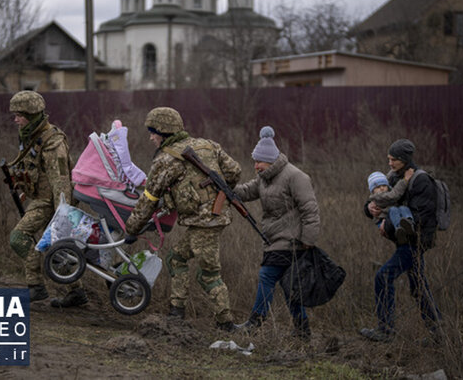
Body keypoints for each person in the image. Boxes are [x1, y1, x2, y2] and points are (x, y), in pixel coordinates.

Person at [125, 107, 241, 332]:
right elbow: (235, 172)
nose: (151, 137)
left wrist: (131, 228)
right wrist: (215, 193)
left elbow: (149, 199)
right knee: (175, 259)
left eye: (153, 132)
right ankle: (176, 312)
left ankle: (226, 324)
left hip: (204, 223)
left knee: (209, 274)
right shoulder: (209, 145)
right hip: (211, 218)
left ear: (165, 132)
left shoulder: (166, 159)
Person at [233, 126, 320, 339]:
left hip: (291, 240)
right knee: (289, 285)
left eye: (259, 162)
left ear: (270, 161)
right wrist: (226, 188)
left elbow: (310, 209)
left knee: (267, 275)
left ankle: (256, 321)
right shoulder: (265, 179)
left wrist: (308, 240)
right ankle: (303, 329)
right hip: (273, 239)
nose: (255, 166)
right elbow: (245, 191)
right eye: (254, 162)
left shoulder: (295, 176)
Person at [7, 90, 88, 307]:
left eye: (19, 115)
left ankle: (36, 287)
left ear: (32, 116)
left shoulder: (52, 143)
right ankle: (76, 292)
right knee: (57, 247)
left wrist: (63, 214)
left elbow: (60, 181)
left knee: (19, 237)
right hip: (42, 198)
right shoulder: (31, 136)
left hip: (52, 201)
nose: (15, 120)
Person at [360, 138, 442, 343]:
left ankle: (386, 330)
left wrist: (386, 226)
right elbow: (380, 197)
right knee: (419, 287)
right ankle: (439, 333)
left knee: (383, 277)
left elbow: (421, 218)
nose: (389, 163)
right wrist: (369, 209)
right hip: (404, 241)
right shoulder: (395, 177)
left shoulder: (421, 180)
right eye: (388, 159)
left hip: (415, 242)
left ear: (404, 159)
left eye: (393, 159)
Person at [366, 170, 416, 245]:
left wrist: (393, 171)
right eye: (378, 187)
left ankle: (409, 223)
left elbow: (388, 179)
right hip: (383, 220)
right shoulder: (378, 197)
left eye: (384, 185)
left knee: (403, 208)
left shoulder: (387, 190)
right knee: (393, 209)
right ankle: (399, 229)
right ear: (372, 191)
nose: (382, 188)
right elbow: (394, 195)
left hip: (392, 218)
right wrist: (405, 180)